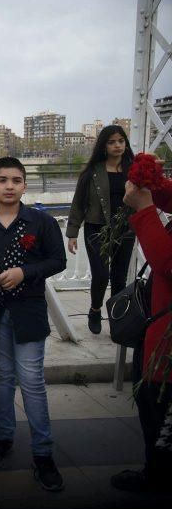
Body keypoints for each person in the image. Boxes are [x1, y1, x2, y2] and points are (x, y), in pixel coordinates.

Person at [0, 157, 66, 492]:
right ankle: (3, 438)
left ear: (24, 185)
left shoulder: (41, 222)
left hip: (29, 312)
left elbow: (57, 260)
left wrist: (25, 272)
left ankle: (43, 453)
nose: (9, 186)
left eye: (16, 180)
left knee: (32, 380)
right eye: (2, 180)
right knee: (3, 377)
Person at [111, 172, 172, 492]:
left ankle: (159, 476)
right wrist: (153, 182)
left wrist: (144, 208)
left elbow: (167, 261)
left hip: (167, 342)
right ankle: (155, 470)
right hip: (159, 333)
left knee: (162, 413)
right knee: (151, 402)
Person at [66, 125, 135, 334]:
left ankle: (117, 319)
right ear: (104, 145)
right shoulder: (92, 172)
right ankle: (95, 310)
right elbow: (78, 203)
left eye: (121, 141)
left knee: (119, 278)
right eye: (112, 142)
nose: (117, 145)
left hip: (126, 229)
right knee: (101, 274)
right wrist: (72, 233)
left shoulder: (134, 169)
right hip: (97, 228)